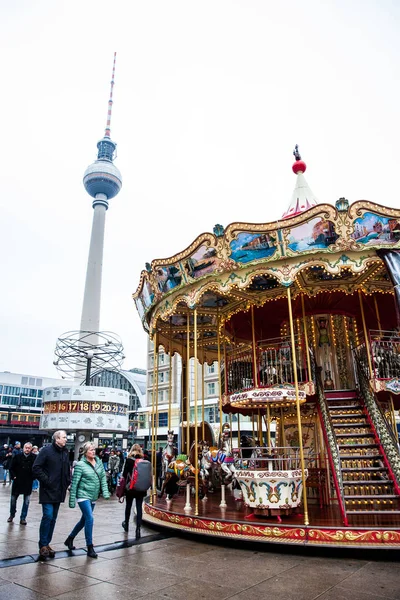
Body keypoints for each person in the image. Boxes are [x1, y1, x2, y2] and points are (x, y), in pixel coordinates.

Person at [65, 442, 110, 558]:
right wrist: (72, 500)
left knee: (84, 520)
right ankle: (90, 546)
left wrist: (105, 492)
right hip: (83, 495)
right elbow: (74, 483)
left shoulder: (98, 463)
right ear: (85, 452)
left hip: (93, 495)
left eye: (94, 450)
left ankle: (70, 538)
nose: (93, 452)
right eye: (90, 450)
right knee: (89, 518)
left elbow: (103, 480)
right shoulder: (80, 465)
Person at [32, 430, 70, 560]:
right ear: (57, 439)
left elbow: (67, 469)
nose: (66, 439)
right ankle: (42, 544)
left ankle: (47, 543)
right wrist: (47, 481)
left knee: (53, 518)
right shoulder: (46, 451)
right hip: (48, 490)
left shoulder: (65, 452)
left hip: (59, 491)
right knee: (47, 516)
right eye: (64, 437)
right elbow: (36, 468)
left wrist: (66, 482)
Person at [121, 444, 147, 539]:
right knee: (139, 507)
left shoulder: (128, 460)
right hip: (140, 488)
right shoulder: (144, 461)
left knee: (128, 506)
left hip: (130, 488)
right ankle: (138, 529)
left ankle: (126, 524)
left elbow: (124, 474)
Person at [8, 442, 36, 524]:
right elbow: (11, 467)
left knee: (26, 501)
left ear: (31, 449)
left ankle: (23, 517)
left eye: (29, 448)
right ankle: (12, 514)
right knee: (13, 499)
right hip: (17, 481)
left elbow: (37, 468)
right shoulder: (17, 456)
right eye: (26, 447)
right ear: (23, 448)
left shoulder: (34, 457)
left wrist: (33, 477)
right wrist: (14, 477)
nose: (27, 449)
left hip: (28, 481)